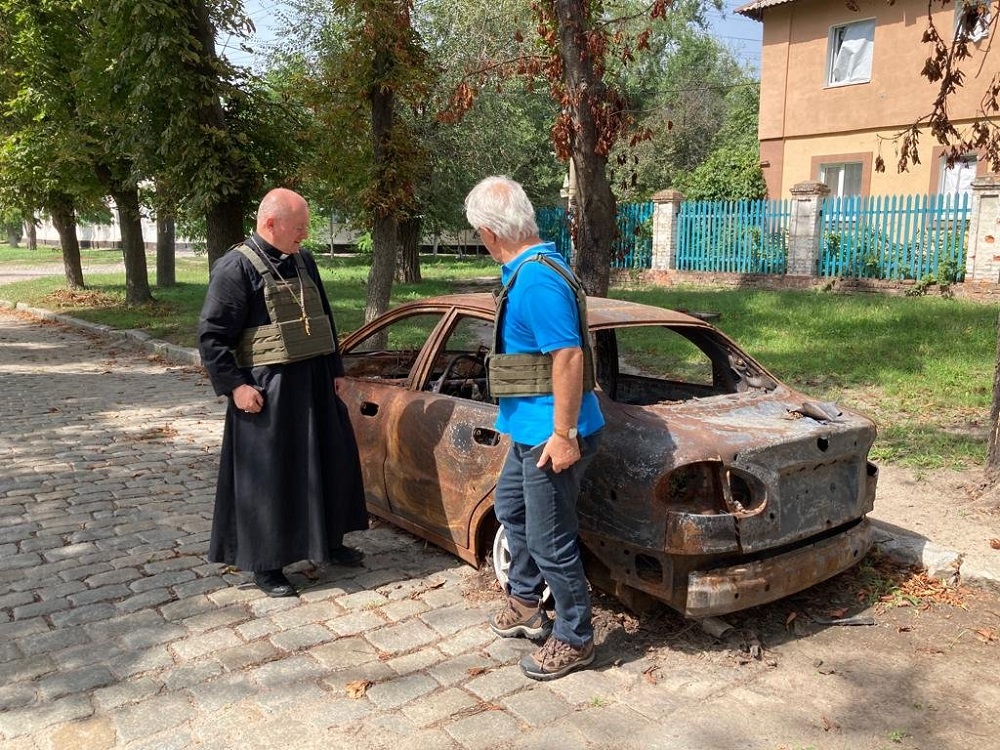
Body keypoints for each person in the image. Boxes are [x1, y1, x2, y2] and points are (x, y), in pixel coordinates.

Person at [464, 176, 605, 681]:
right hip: (531, 430)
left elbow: (567, 356)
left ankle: (575, 636)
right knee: (510, 508)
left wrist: (564, 434)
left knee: (550, 540)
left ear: (487, 232)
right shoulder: (528, 269)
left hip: (553, 435)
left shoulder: (538, 279)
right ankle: (526, 603)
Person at [198, 188, 368, 598]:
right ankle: (266, 563)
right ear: (270, 224)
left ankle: (328, 541)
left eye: (306, 228)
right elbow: (212, 337)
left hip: (313, 383)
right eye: (299, 228)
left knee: (328, 463)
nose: (304, 236)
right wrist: (236, 387)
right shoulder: (235, 268)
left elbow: (323, 316)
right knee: (270, 479)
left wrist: (335, 370)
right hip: (267, 392)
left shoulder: (303, 260)